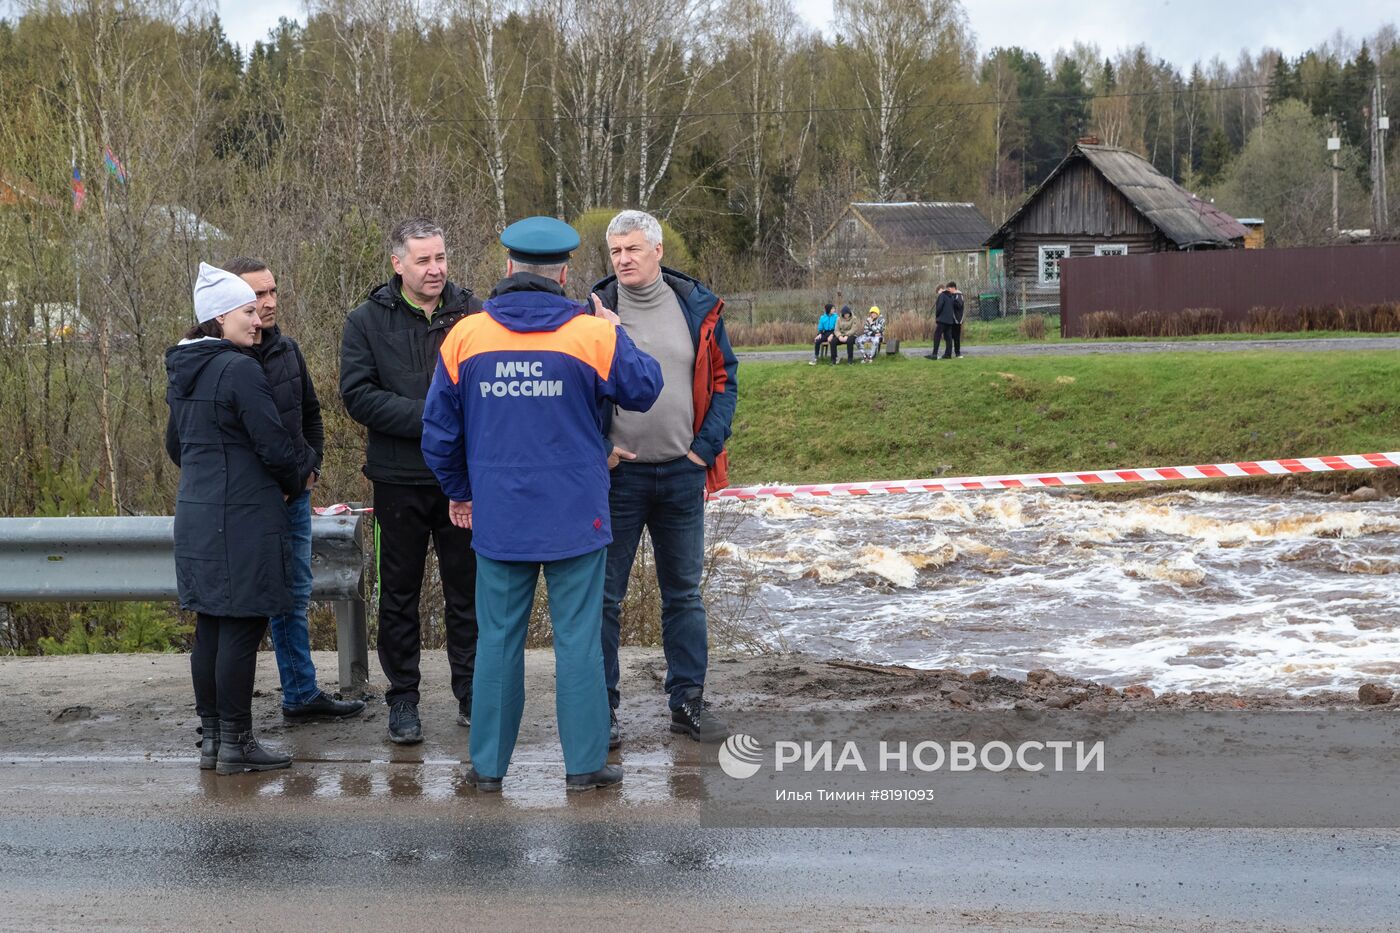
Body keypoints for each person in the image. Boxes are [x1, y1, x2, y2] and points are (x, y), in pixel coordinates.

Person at [422, 216, 662, 792]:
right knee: (578, 640)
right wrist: (615, 328)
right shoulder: (593, 334)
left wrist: (460, 491)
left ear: (507, 267)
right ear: (563, 272)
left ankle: (488, 768)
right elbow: (645, 388)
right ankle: (583, 766)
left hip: (500, 515)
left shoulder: (467, 336)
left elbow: (438, 433)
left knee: (498, 640)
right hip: (577, 514)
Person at [591, 209, 739, 748]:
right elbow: (572, 389)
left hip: (682, 475)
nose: (624, 259)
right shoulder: (592, 311)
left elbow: (724, 380)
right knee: (604, 599)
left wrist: (705, 449)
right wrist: (598, 448)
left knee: (683, 596)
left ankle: (687, 704)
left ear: (657, 251)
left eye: (632, 249)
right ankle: (601, 711)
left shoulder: (696, 307)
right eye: (615, 252)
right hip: (617, 480)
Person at [165, 263, 316, 774]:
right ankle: (237, 742)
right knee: (243, 627)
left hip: (198, 513)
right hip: (245, 517)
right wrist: (300, 478)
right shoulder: (239, 368)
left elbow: (175, 447)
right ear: (220, 318)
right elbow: (276, 447)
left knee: (210, 626)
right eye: (248, 311)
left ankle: (212, 739)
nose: (258, 320)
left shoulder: (185, 370)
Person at [340, 218, 482, 745]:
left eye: (440, 257)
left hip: (463, 482)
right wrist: (434, 415)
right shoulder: (366, 321)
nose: (435, 269)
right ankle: (403, 701)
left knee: (468, 594)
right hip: (397, 481)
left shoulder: (474, 314)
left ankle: (472, 695)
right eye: (422, 260)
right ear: (397, 263)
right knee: (398, 596)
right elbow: (358, 395)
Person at [226, 258, 365, 724]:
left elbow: (310, 416)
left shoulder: (287, 351)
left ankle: (301, 694)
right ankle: (226, 716)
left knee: (295, 594)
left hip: (295, 499)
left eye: (271, 292)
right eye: (255, 296)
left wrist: (310, 473)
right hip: (247, 506)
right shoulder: (222, 361)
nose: (266, 303)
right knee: (243, 604)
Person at [935, 281, 965, 359]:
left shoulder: (958, 295)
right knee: (948, 337)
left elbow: (958, 305)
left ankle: (957, 353)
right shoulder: (950, 295)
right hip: (950, 320)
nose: (948, 290)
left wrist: (951, 299)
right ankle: (948, 354)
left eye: (949, 289)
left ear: (953, 288)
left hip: (957, 320)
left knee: (956, 337)